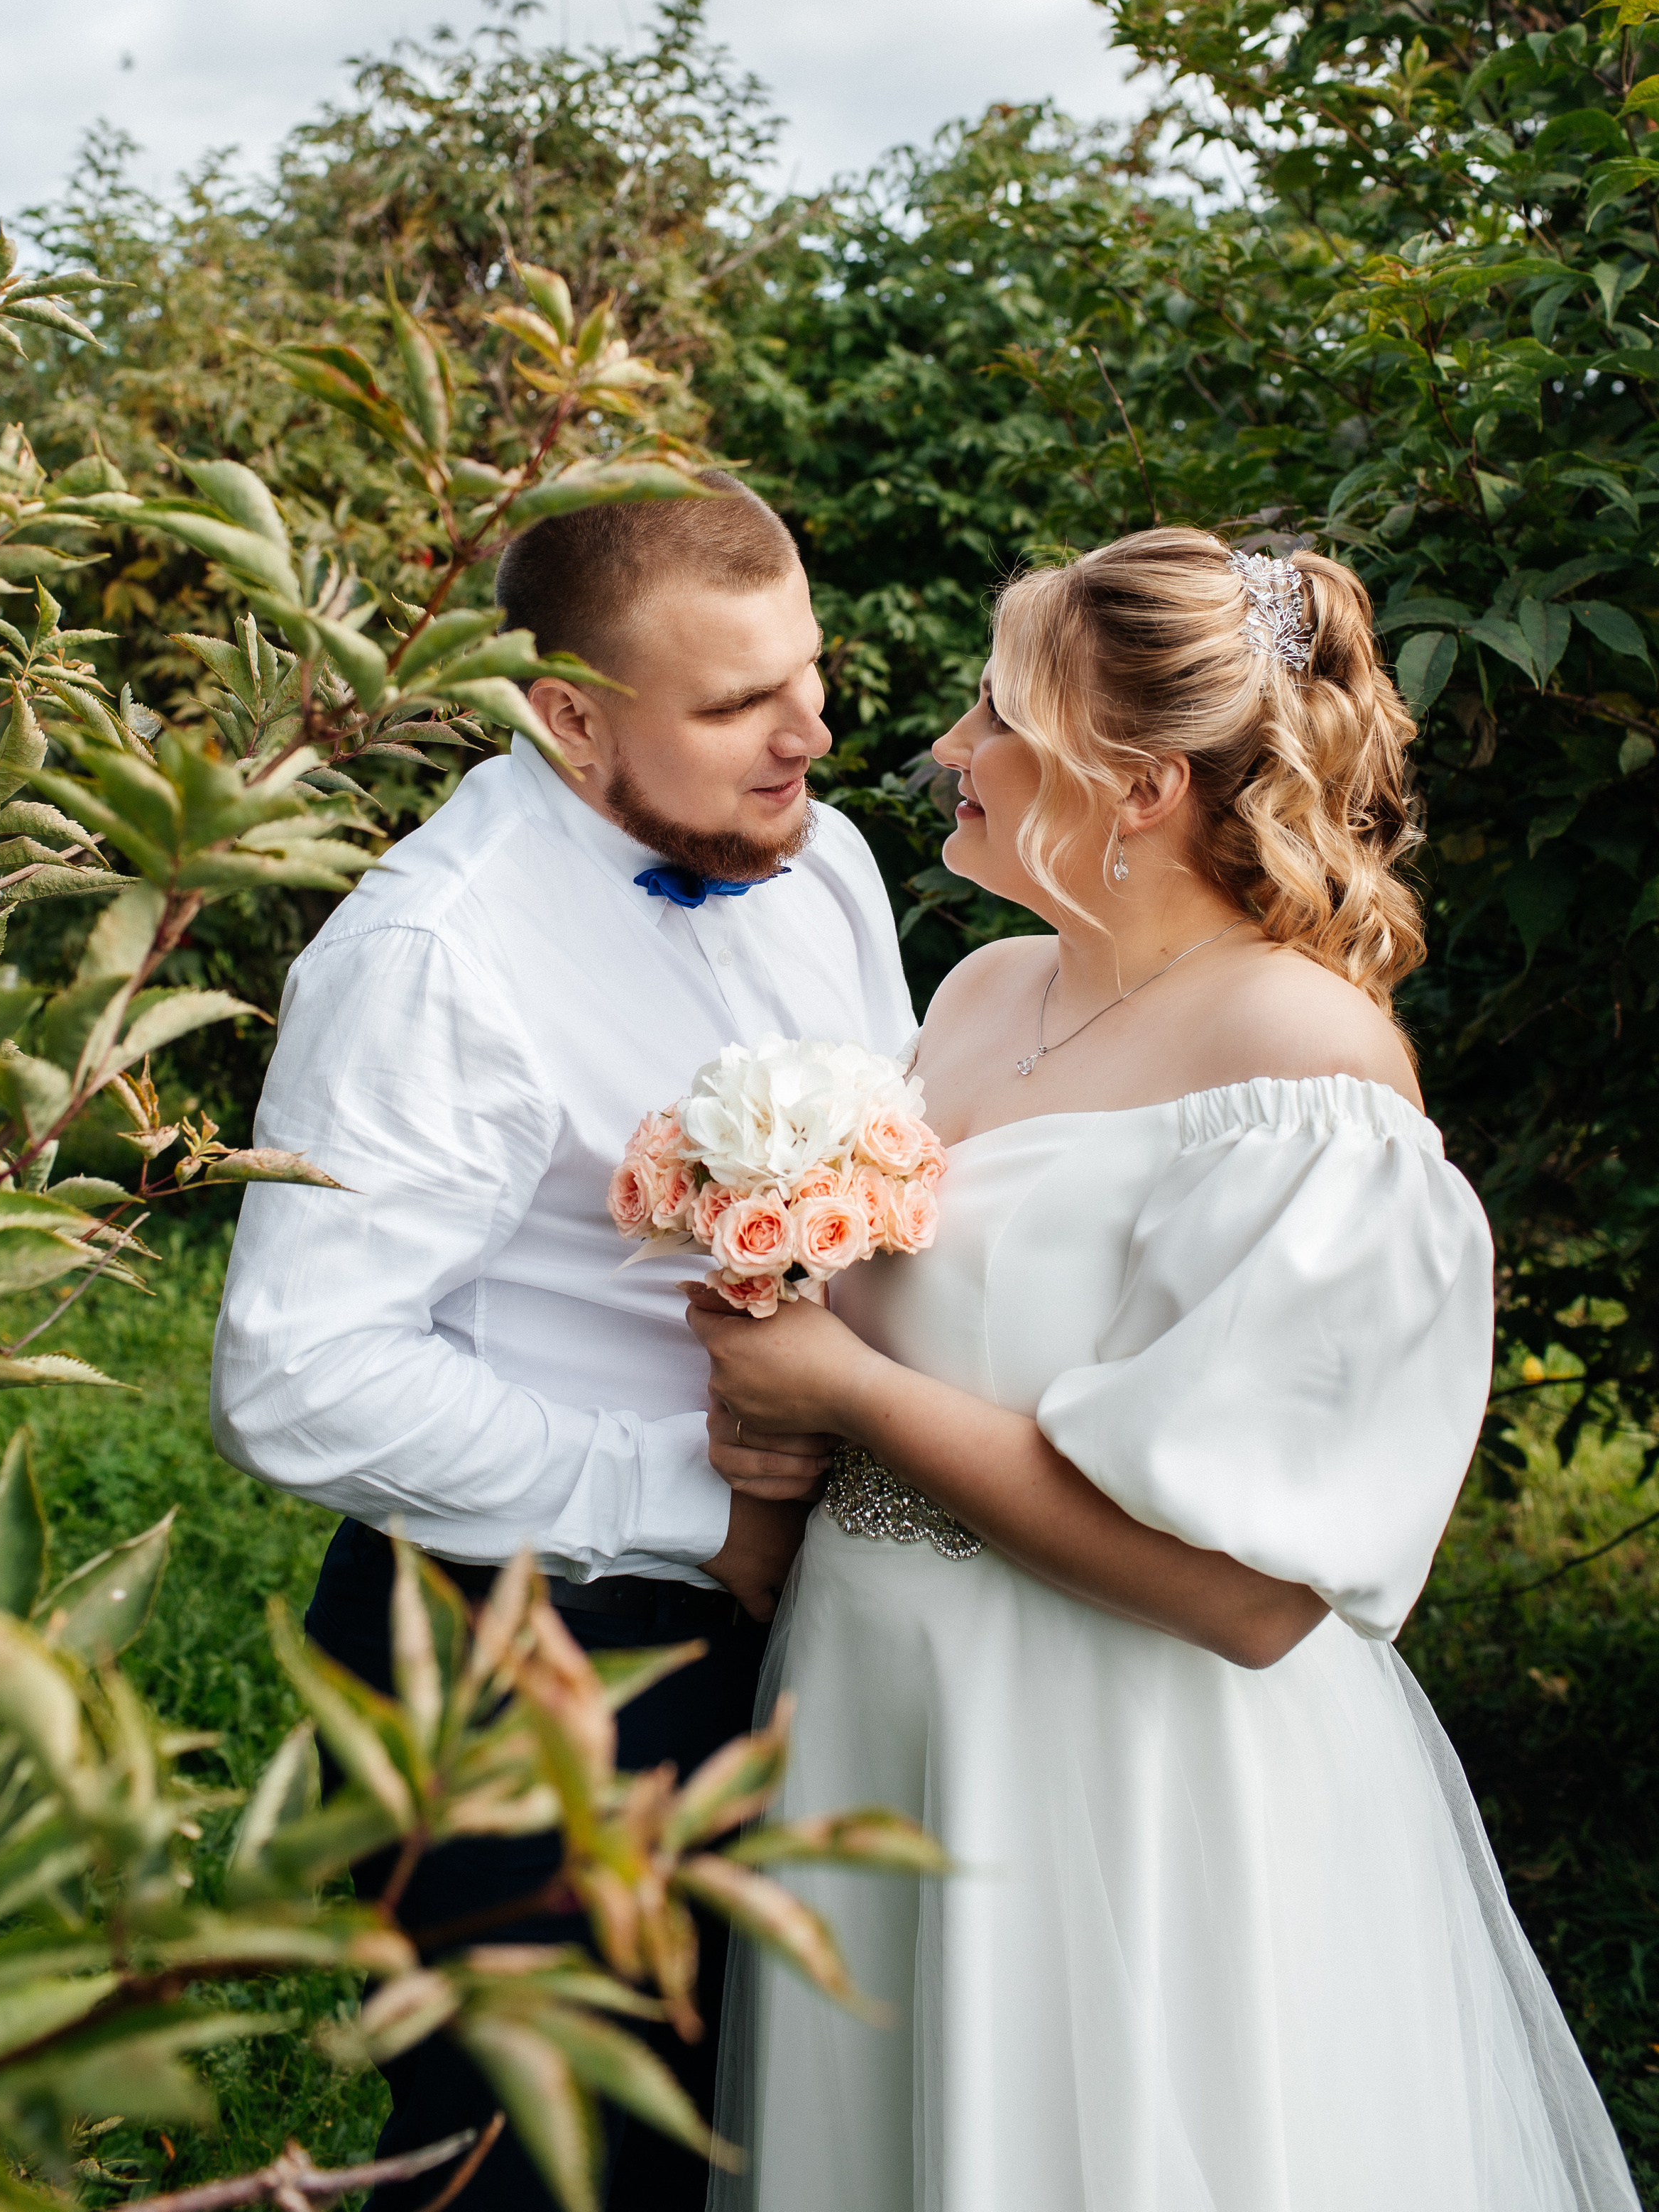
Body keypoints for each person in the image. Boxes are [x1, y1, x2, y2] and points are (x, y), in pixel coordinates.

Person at [691, 528, 1641, 2212]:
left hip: (1112, 1767)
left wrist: (841, 1394)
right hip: (875, 1708)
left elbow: (1249, 1598)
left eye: (996, 718)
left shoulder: (1303, 1063)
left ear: (1133, 786)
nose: (948, 749)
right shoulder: (981, 993)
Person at [211, 471, 914, 2212]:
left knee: (781, 2123)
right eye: (737, 705)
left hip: (817, 1616)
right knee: (547, 2166)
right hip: (529, 1660)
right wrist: (704, 1505)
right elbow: (301, 1379)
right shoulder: (434, 955)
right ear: (569, 718)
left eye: (808, 674)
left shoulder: (823, 860)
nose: (807, 737)